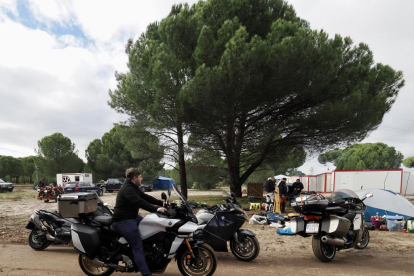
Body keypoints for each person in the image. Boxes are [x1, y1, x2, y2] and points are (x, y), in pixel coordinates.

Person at [112, 168, 166, 276]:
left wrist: (161, 203)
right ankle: (146, 273)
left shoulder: (133, 187)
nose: (142, 178)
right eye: (140, 176)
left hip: (133, 218)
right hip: (123, 221)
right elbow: (139, 202)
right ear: (134, 178)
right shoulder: (127, 189)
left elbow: (145, 197)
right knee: (137, 246)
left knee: (150, 225)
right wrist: (155, 209)